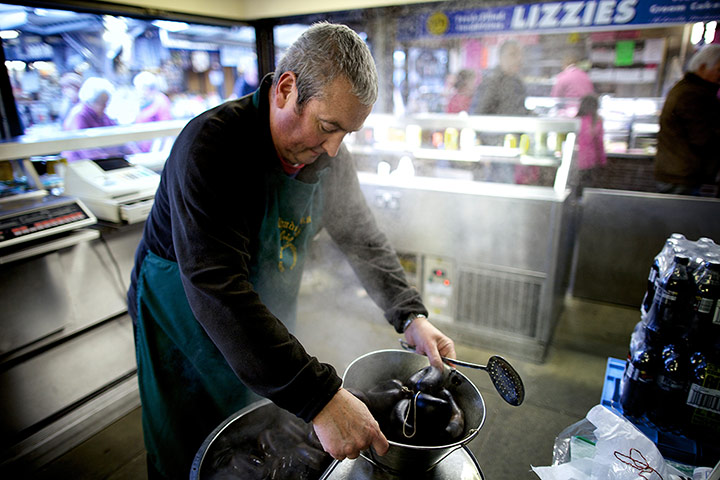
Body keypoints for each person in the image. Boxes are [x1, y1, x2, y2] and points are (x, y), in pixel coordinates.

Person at [127, 22, 456, 479]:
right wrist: (320, 396)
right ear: (285, 89)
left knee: (268, 431)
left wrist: (409, 314)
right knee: (193, 442)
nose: (334, 150)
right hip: (186, 316)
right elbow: (217, 287)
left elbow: (361, 237)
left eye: (346, 134)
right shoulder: (211, 146)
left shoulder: (327, 154)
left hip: (260, 311)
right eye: (327, 127)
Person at [655, 44, 720, 196]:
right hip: (682, 174)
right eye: (718, 70)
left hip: (681, 172)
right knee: (681, 217)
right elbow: (702, 137)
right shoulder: (691, 94)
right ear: (703, 67)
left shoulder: (688, 89)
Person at [62, 77, 136, 161]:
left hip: (102, 164)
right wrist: (114, 158)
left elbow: (119, 139)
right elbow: (87, 150)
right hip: (81, 166)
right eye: (102, 103)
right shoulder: (79, 115)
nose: (105, 106)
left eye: (106, 102)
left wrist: (136, 155)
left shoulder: (103, 116)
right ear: (91, 101)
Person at [471, 40, 528, 116]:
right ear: (501, 57)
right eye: (513, 54)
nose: (519, 59)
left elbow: (518, 109)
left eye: (521, 54)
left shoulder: (518, 82)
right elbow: (479, 114)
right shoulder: (492, 82)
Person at [573, 95, 606, 196]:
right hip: (590, 162)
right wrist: (602, 161)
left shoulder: (575, 120)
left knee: (574, 188)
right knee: (586, 190)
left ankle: (574, 207)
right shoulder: (596, 122)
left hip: (575, 162)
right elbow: (599, 144)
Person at [133, 71, 173, 152]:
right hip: (142, 148)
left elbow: (165, 129)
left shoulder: (161, 101)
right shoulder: (142, 101)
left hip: (156, 149)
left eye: (139, 88)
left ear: (148, 89)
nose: (138, 91)